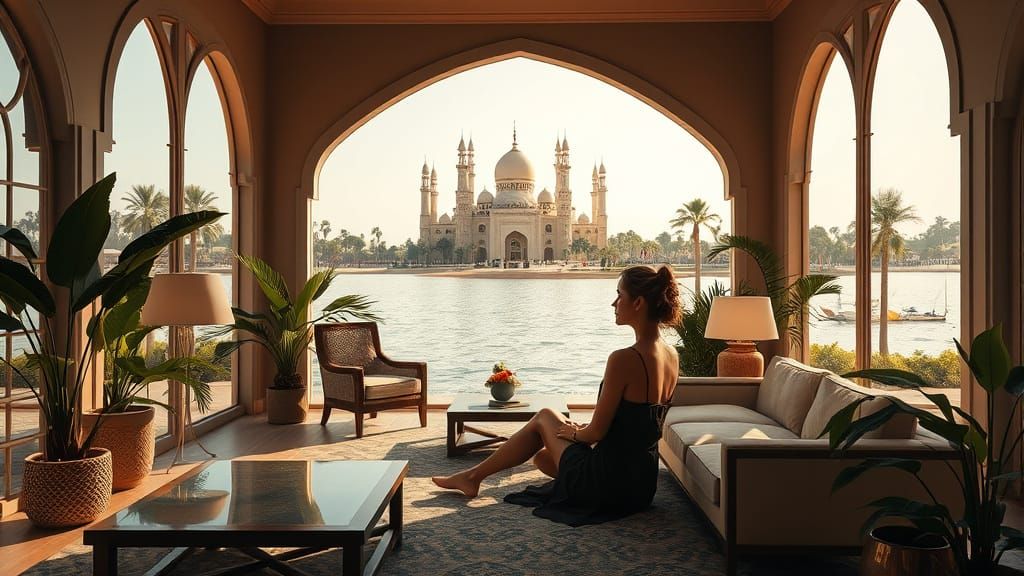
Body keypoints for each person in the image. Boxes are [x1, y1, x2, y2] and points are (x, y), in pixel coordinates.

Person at [431, 265, 681, 525]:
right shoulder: (672, 356)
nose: (613, 303)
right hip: (640, 486)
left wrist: (574, 433)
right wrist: (581, 429)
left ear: (638, 302)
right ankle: (473, 477)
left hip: (609, 484)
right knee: (541, 457)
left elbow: (595, 434)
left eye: (619, 295)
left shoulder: (624, 358)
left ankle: (472, 477)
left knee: (546, 417)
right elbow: (636, 422)